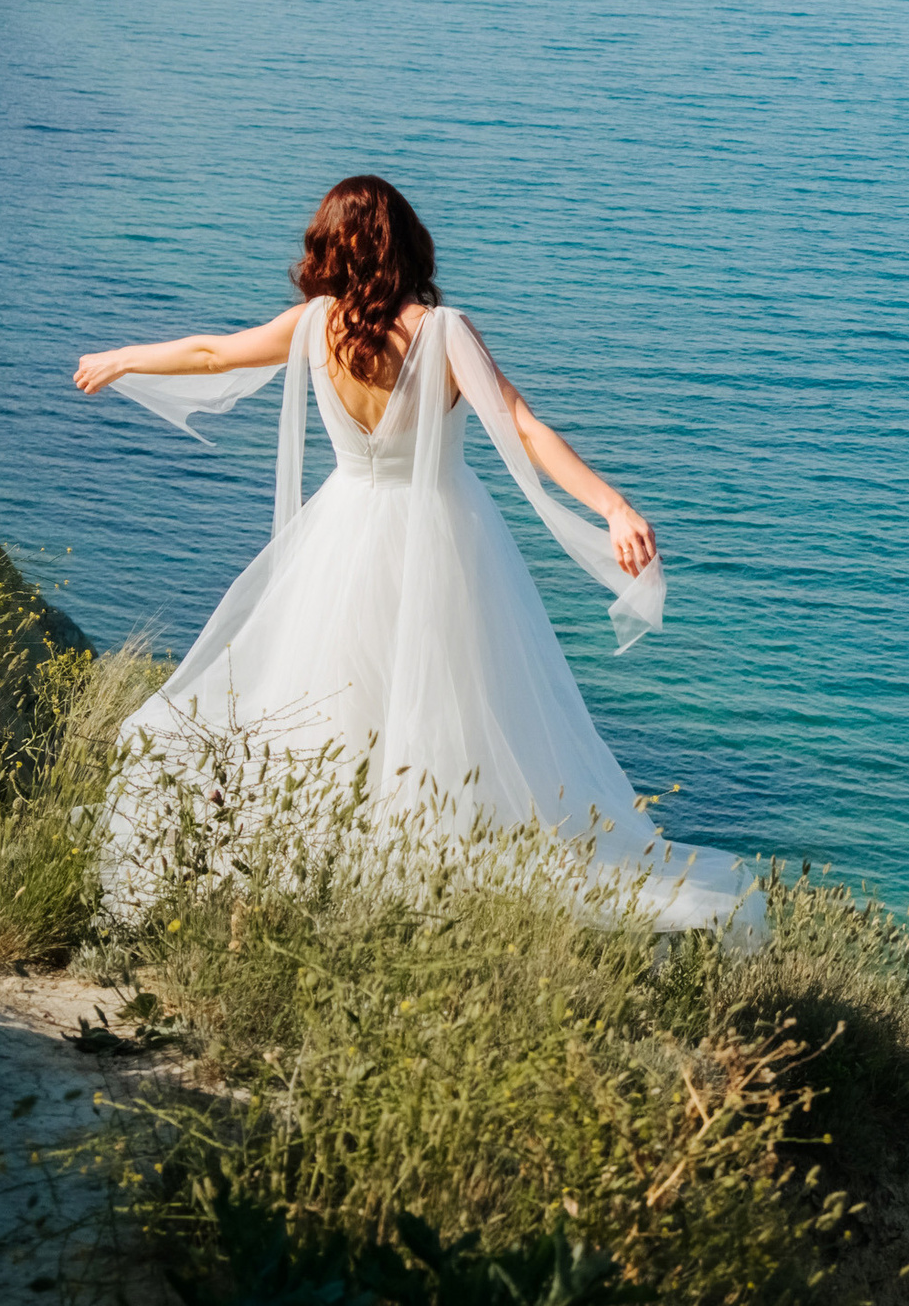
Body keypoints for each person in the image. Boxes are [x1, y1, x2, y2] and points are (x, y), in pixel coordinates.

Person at [72, 174, 757, 931]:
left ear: (331, 247)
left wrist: (124, 356)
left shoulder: (312, 327)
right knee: (460, 707)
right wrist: (614, 507)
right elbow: (523, 427)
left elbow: (211, 355)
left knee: (332, 706)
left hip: (341, 539)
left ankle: (327, 870)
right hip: (443, 539)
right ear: (407, 242)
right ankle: (429, 867)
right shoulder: (440, 331)